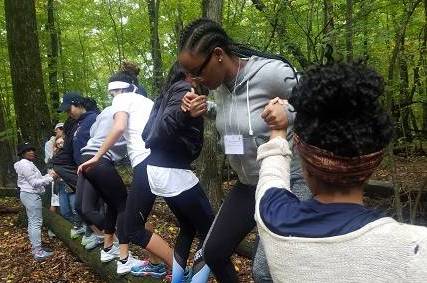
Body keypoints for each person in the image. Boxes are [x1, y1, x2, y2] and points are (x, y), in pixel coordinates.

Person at [255, 62, 427, 282]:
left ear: (299, 148)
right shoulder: (416, 247)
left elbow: (272, 170)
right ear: (375, 159)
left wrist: (279, 130)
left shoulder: (272, 218)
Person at [178, 18, 310, 282]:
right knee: (213, 253)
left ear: (218, 55)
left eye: (197, 72)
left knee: (264, 271)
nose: (193, 80)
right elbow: (240, 121)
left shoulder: (271, 73)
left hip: (288, 181)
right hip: (248, 184)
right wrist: (208, 109)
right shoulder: (222, 86)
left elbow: (319, 101)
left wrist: (289, 111)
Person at [79, 71, 172, 279]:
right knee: (129, 212)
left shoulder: (119, 102)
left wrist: (95, 156)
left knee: (125, 216)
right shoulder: (144, 103)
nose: (113, 98)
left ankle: (110, 250)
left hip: (127, 160)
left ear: (120, 89)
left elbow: (114, 128)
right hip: (153, 160)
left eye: (113, 93)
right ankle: (138, 261)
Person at [142, 62, 214, 282]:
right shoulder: (184, 89)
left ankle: (178, 279)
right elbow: (165, 127)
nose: (202, 75)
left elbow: (147, 133)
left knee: (188, 227)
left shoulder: (166, 94)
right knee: (211, 232)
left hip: (157, 169)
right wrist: (183, 113)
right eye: (198, 71)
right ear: (187, 73)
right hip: (173, 170)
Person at [55, 91, 104, 250]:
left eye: (69, 109)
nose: (68, 113)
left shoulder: (94, 118)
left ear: (78, 103)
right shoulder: (78, 122)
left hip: (94, 168)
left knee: (88, 206)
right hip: (82, 169)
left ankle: (106, 236)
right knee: (80, 206)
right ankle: (98, 233)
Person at [14, 142, 57, 260]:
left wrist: (47, 176)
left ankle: (36, 248)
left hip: (28, 195)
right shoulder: (26, 165)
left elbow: (36, 179)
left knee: (33, 222)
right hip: (30, 195)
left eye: (32, 149)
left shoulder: (27, 164)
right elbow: (34, 183)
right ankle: (38, 252)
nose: (31, 152)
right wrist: (51, 177)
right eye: (28, 150)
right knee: (36, 223)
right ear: (22, 153)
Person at [45, 122, 64, 238]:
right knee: (55, 202)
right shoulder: (50, 143)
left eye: (63, 128)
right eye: (59, 129)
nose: (61, 130)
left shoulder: (66, 140)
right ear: (55, 130)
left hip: (66, 176)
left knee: (65, 202)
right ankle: (51, 228)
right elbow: (49, 160)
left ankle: (64, 225)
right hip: (55, 175)